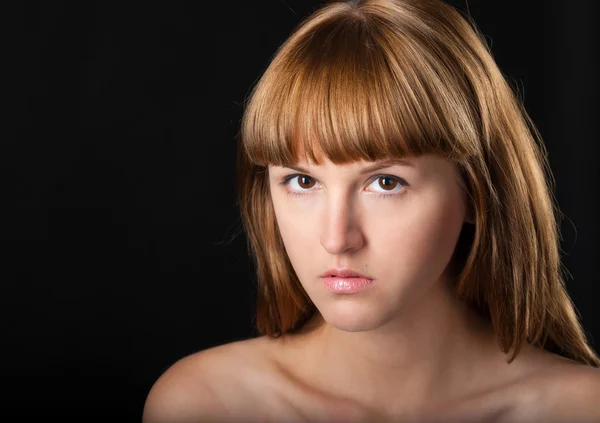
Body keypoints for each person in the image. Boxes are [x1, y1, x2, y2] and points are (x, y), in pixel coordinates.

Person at [143, 0, 600, 422]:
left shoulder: (580, 409)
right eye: (303, 181)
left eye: (386, 182)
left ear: (478, 193)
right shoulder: (206, 406)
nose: (337, 238)